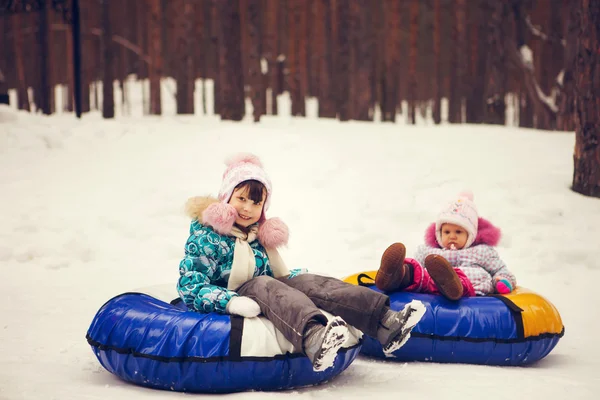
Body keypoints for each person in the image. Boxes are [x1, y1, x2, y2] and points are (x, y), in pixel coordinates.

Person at [177, 153, 425, 372]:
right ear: (226, 197)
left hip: (265, 287)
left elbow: (277, 275)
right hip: (233, 291)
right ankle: (313, 337)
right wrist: (229, 301)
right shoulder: (206, 236)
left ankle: (384, 321)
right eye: (241, 198)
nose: (247, 208)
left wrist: (300, 279)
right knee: (264, 283)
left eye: (256, 202)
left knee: (307, 281)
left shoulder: (256, 234)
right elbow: (190, 285)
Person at [375, 192, 517, 300]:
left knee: (471, 276)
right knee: (418, 272)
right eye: (447, 232)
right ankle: (396, 276)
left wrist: (501, 280)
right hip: (429, 283)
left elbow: (500, 269)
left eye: (459, 232)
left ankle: (451, 284)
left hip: (464, 285)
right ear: (439, 233)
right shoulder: (429, 251)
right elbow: (419, 265)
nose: (452, 236)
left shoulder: (481, 252)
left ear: (470, 235)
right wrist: (410, 270)